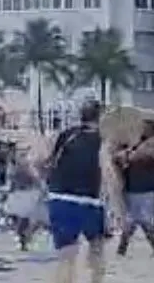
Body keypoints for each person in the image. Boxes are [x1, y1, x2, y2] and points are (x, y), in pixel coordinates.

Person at [43, 100, 114, 283]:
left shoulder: (66, 135)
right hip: (89, 201)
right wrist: (118, 205)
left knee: (66, 256)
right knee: (97, 250)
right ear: (101, 118)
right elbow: (108, 172)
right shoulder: (103, 139)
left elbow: (42, 160)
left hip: (59, 198)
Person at [116, 119, 154, 257]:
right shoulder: (140, 143)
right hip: (135, 185)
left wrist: (127, 155)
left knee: (142, 219)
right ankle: (123, 249)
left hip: (145, 186)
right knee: (134, 219)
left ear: (151, 129)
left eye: (145, 128)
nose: (142, 130)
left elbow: (143, 157)